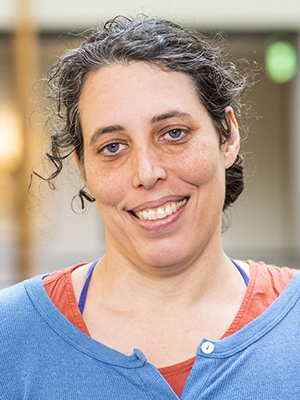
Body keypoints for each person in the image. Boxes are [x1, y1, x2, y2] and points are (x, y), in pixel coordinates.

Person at [0, 15, 299, 399]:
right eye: (113, 146)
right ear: (83, 168)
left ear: (227, 136)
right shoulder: (10, 337)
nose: (146, 172)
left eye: (173, 133)